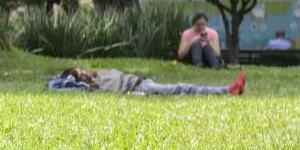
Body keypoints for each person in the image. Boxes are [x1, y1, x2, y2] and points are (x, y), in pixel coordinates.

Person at [58, 67, 246, 96]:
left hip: (143, 81)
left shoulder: (99, 74)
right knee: (181, 88)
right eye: (81, 77)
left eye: (82, 71)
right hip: (141, 88)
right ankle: (227, 90)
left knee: (180, 91)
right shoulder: (93, 88)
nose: (85, 75)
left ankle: (229, 90)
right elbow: (66, 87)